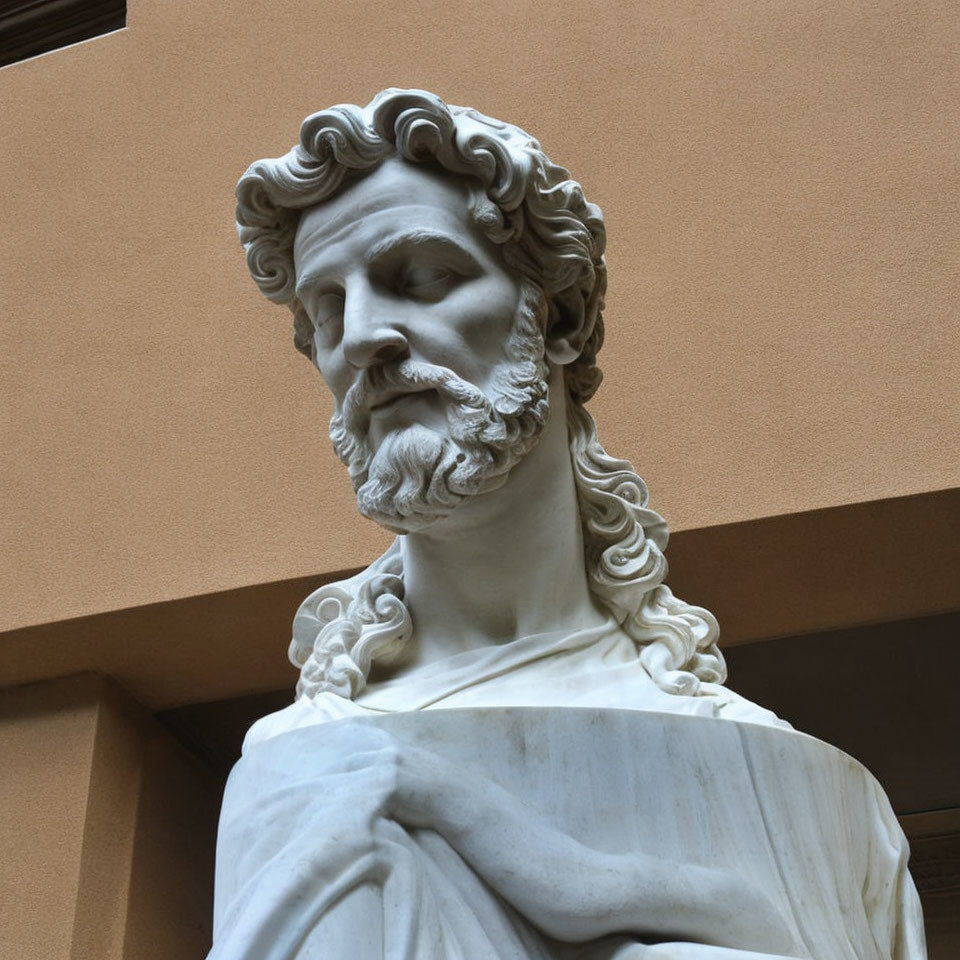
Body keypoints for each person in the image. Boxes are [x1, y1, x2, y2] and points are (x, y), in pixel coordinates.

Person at [208, 89, 925, 959]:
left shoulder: (784, 784)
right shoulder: (305, 760)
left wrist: (560, 868)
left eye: (422, 276)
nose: (362, 337)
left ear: (559, 318)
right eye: (327, 309)